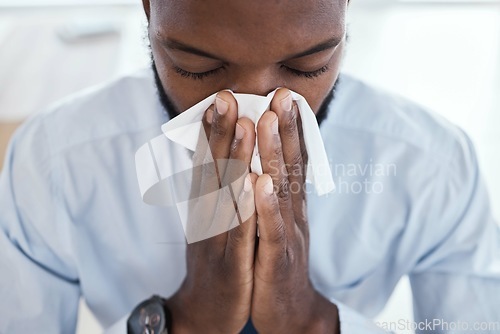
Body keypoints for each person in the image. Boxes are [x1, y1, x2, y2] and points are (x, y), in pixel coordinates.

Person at [1, 0, 499, 333]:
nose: (254, 109)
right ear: (149, 10)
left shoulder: (431, 167)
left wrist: (314, 322)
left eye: (308, 67)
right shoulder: (53, 167)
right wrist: (184, 321)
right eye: (197, 67)